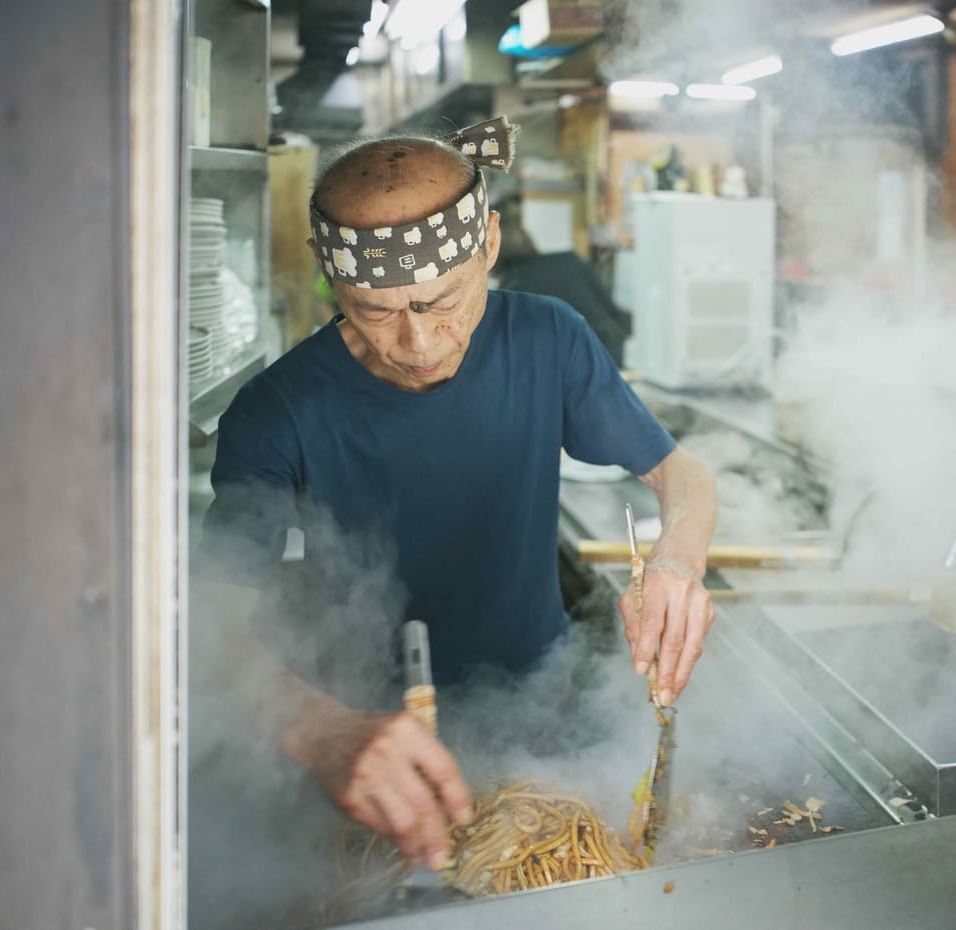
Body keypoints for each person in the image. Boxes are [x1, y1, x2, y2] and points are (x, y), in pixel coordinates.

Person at [199, 118, 718, 872]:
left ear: (490, 246)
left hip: (539, 710)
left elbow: (682, 473)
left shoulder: (549, 338)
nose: (419, 343)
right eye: (376, 310)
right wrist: (315, 729)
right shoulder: (277, 410)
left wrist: (677, 559)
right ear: (328, 273)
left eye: (443, 302)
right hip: (366, 743)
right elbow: (207, 624)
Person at [493, 194, 631, 366]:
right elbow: (611, 311)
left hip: (573, 368)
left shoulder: (511, 288)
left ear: (493, 256)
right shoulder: (569, 259)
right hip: (614, 353)